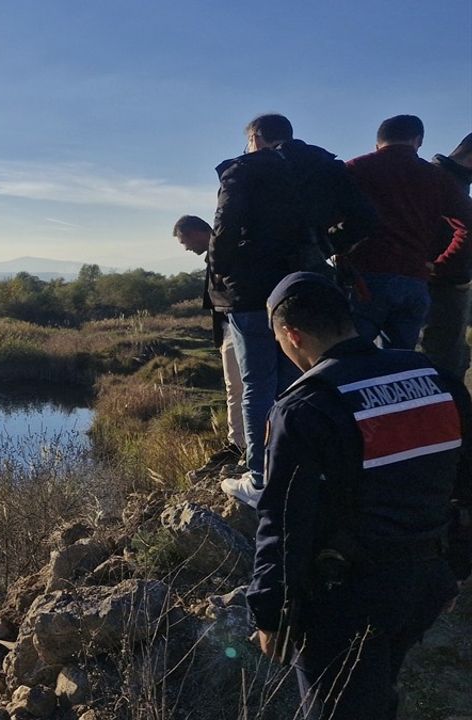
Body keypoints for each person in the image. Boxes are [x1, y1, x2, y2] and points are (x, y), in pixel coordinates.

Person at [247, 271, 472, 719]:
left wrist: (268, 614)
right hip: (426, 582)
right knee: (376, 689)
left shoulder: (305, 407)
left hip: (346, 601)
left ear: (292, 335)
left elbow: (285, 524)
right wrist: (456, 570)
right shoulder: (437, 379)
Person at [210, 114, 312, 506]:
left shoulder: (243, 170)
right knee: (294, 379)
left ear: (254, 138)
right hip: (299, 287)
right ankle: (297, 466)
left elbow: (226, 225)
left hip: (251, 292)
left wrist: (221, 270)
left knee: (257, 384)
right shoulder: (314, 167)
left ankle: (260, 477)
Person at [344, 116, 472, 350]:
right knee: (402, 363)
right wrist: (444, 263)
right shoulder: (436, 177)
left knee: (353, 357)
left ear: (377, 142)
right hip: (414, 279)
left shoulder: (356, 168)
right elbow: (468, 224)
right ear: (418, 141)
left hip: (365, 277)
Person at [173, 214, 244, 473]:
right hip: (232, 329)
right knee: (236, 388)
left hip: (237, 327)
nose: (186, 247)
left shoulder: (225, 251)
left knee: (237, 388)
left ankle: (239, 444)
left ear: (195, 232)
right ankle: (241, 441)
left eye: (184, 241)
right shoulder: (219, 251)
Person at [421, 132, 472, 379]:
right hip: (440, 286)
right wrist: (442, 267)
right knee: (443, 363)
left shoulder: (442, 177)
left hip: (438, 281)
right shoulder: (445, 181)